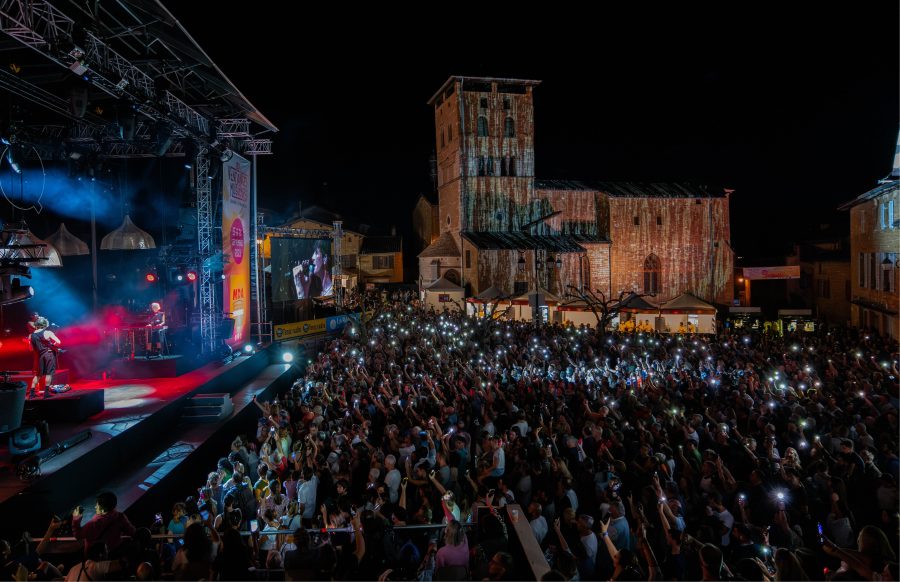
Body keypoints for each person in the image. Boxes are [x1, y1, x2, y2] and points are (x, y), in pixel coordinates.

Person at [72, 492, 136, 554]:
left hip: (95, 559)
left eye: (97, 505)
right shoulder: (120, 517)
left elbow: (78, 535)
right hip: (114, 554)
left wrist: (76, 519)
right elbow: (132, 532)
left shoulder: (93, 524)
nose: (95, 507)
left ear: (104, 508)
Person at [28, 316, 60, 399]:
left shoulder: (31, 336)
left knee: (37, 375)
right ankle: (46, 393)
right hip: (48, 354)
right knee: (49, 373)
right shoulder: (48, 333)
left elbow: (31, 349)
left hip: (39, 356)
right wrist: (52, 346)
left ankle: (31, 394)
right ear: (45, 324)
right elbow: (58, 342)